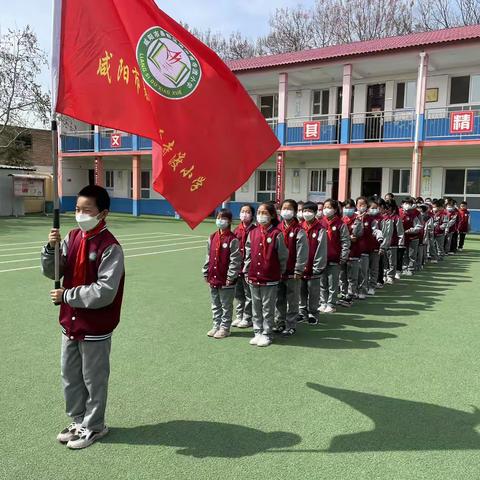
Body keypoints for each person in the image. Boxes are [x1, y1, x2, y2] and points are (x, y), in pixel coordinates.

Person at [41, 185, 125, 449]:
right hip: (70, 323)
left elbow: (105, 291)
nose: (80, 214)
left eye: (86, 210)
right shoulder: (73, 236)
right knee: (70, 375)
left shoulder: (110, 247)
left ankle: (95, 426)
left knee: (94, 378)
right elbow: (55, 270)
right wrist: (51, 249)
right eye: (77, 209)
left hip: (96, 326)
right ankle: (79, 420)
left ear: (102, 213)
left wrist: (67, 296)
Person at [243, 203, 288, 347]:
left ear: (272, 215)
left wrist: (278, 272)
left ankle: (267, 333)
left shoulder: (276, 234)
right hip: (253, 276)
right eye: (260, 212)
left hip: (270, 278)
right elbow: (248, 254)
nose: (261, 215)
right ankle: (258, 332)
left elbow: (282, 256)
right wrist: (246, 270)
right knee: (256, 307)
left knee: (268, 307)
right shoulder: (253, 232)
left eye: (265, 213)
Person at [203, 209, 242, 339]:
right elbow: (208, 256)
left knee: (226, 304)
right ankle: (216, 325)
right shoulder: (212, 237)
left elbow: (235, 260)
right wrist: (206, 271)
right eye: (218, 218)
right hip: (213, 276)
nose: (220, 221)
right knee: (215, 304)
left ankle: (225, 328)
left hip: (226, 279)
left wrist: (231, 276)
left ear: (229, 221)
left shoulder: (232, 239)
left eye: (223, 218)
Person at [275, 199, 308, 337]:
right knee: (279, 299)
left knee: (293, 299)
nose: (286, 211)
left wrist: (298, 269)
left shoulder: (299, 230)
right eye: (284, 208)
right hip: (278, 271)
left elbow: (302, 251)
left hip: (293, 271)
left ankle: (291, 325)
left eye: (289, 209)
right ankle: (279, 323)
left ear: (295, 212)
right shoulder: (277, 228)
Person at [319, 199, 350, 313]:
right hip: (322, 259)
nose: (326, 209)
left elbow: (345, 241)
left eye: (329, 207)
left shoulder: (340, 224)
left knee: (333, 283)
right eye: (325, 207)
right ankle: (323, 302)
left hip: (335, 258)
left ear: (335, 209)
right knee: (323, 283)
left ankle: (331, 304)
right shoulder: (320, 223)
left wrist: (343, 256)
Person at [299, 202, 327, 324]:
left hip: (313, 267)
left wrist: (317, 266)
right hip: (300, 267)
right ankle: (301, 312)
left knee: (313, 291)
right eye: (305, 211)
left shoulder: (320, 229)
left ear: (315, 213)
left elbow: (321, 249)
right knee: (301, 291)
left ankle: (313, 313)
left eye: (310, 211)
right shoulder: (300, 227)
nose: (307, 213)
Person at [232, 205, 257, 328]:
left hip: (249, 268)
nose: (244, 214)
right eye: (242, 211)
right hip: (237, 268)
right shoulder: (236, 230)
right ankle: (239, 315)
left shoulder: (255, 231)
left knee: (249, 294)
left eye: (247, 212)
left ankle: (248, 317)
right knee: (238, 294)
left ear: (252, 215)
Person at [356, 196, 383, 298]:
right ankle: (359, 289)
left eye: (364, 204)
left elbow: (375, 230)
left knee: (373, 268)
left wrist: (379, 236)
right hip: (358, 249)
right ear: (356, 206)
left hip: (372, 247)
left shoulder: (371, 219)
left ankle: (371, 286)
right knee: (362, 271)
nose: (362, 206)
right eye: (360, 204)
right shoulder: (354, 218)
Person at [339, 199, 363, 306]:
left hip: (354, 252)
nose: (347, 210)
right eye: (346, 207)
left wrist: (349, 237)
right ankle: (343, 294)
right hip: (342, 252)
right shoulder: (341, 220)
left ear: (354, 208)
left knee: (352, 276)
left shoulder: (357, 220)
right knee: (342, 275)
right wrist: (348, 237)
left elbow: (356, 236)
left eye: (350, 207)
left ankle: (351, 295)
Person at [399, 198, 422, 276]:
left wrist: (412, 230)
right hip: (403, 237)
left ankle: (411, 268)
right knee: (404, 253)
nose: (407, 205)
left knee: (412, 254)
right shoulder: (399, 213)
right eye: (405, 203)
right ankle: (404, 268)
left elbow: (419, 225)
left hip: (413, 237)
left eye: (409, 203)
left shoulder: (415, 214)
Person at [383, 199, 404, 284]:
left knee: (392, 261)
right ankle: (384, 275)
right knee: (384, 261)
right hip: (384, 243)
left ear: (391, 208)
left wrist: (400, 243)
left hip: (393, 242)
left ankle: (391, 276)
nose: (386, 210)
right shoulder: (384, 217)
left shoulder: (396, 218)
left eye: (387, 208)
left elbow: (400, 231)